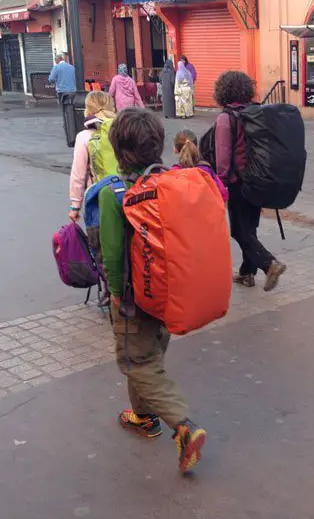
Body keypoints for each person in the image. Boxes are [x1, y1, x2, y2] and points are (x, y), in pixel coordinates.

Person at [99, 108, 207, 474]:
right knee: (147, 354)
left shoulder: (114, 193)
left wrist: (115, 293)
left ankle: (183, 427)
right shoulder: (172, 182)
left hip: (133, 298)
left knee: (136, 360)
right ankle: (143, 417)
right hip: (167, 290)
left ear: (117, 148)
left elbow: (113, 254)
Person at [213, 71, 286, 291]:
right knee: (250, 228)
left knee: (239, 231)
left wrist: (220, 183)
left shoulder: (226, 118)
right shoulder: (256, 113)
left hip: (238, 182)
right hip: (259, 179)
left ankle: (268, 263)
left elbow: (223, 156)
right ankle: (247, 273)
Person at [68, 91, 117, 222]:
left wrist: (75, 206)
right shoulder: (121, 129)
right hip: (125, 192)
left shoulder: (84, 137)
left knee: (100, 239)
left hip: (97, 195)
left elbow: (78, 174)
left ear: (88, 109)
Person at [172, 129, 228, 201]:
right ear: (197, 147)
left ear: (175, 149)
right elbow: (223, 194)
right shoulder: (206, 170)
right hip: (207, 211)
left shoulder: (173, 173)